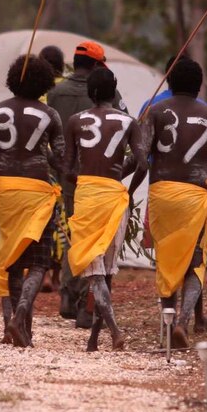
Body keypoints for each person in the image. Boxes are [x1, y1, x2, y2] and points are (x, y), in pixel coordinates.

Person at [130, 58, 207, 349]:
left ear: (169, 83)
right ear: (199, 86)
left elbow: (142, 158)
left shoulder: (154, 111)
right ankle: (184, 323)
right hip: (195, 195)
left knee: (166, 258)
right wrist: (200, 159)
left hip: (162, 192)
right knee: (195, 263)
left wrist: (128, 192)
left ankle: (168, 321)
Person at [0, 55, 64, 348]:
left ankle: (11, 326)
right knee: (39, 262)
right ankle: (21, 317)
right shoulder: (50, 114)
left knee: (10, 259)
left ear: (13, 79)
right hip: (38, 189)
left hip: (7, 189)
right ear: (44, 83)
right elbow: (60, 158)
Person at [63, 68, 147, 351]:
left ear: (90, 92)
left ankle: (113, 331)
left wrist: (85, 178)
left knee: (94, 270)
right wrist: (128, 190)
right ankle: (94, 338)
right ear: (114, 91)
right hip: (114, 198)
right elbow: (142, 164)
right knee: (107, 271)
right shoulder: (129, 122)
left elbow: (67, 170)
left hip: (87, 197)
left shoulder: (75, 121)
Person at [47, 41, 127, 328]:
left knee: (75, 233)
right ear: (95, 66)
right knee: (98, 243)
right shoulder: (109, 94)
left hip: (69, 177)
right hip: (103, 178)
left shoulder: (55, 93)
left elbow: (49, 135)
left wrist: (59, 167)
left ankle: (69, 294)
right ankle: (86, 304)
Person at [37, 45, 67, 293]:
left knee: (43, 217)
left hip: (39, 163)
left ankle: (43, 271)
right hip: (63, 161)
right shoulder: (67, 89)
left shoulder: (39, 92)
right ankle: (57, 275)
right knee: (61, 217)